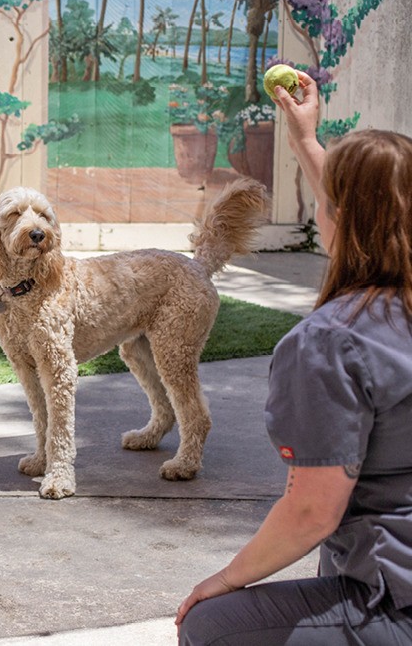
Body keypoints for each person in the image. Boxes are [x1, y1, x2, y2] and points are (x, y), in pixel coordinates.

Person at [175, 70, 412, 644]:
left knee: (213, 627)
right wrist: (307, 140)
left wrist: (227, 578)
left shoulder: (333, 341)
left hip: (393, 600)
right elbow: (374, 204)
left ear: (334, 216)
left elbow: (312, 513)